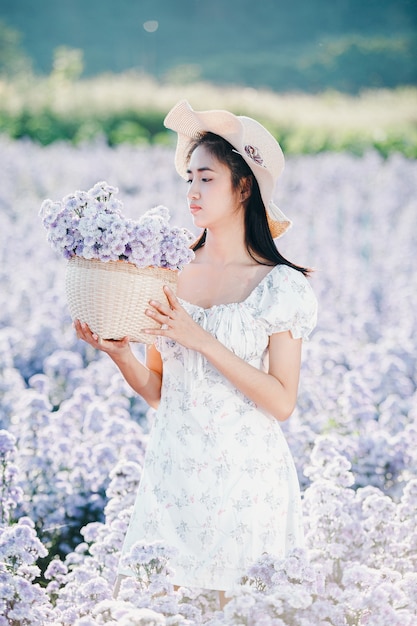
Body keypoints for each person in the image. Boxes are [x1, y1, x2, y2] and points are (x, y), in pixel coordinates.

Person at [75, 100, 317, 607]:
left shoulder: (282, 287)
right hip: (174, 476)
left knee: (244, 613)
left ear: (243, 186)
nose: (191, 192)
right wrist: (120, 354)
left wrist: (202, 339)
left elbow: (281, 403)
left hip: (248, 482)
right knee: (153, 610)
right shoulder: (167, 270)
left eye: (206, 178)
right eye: (189, 178)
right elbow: (163, 393)